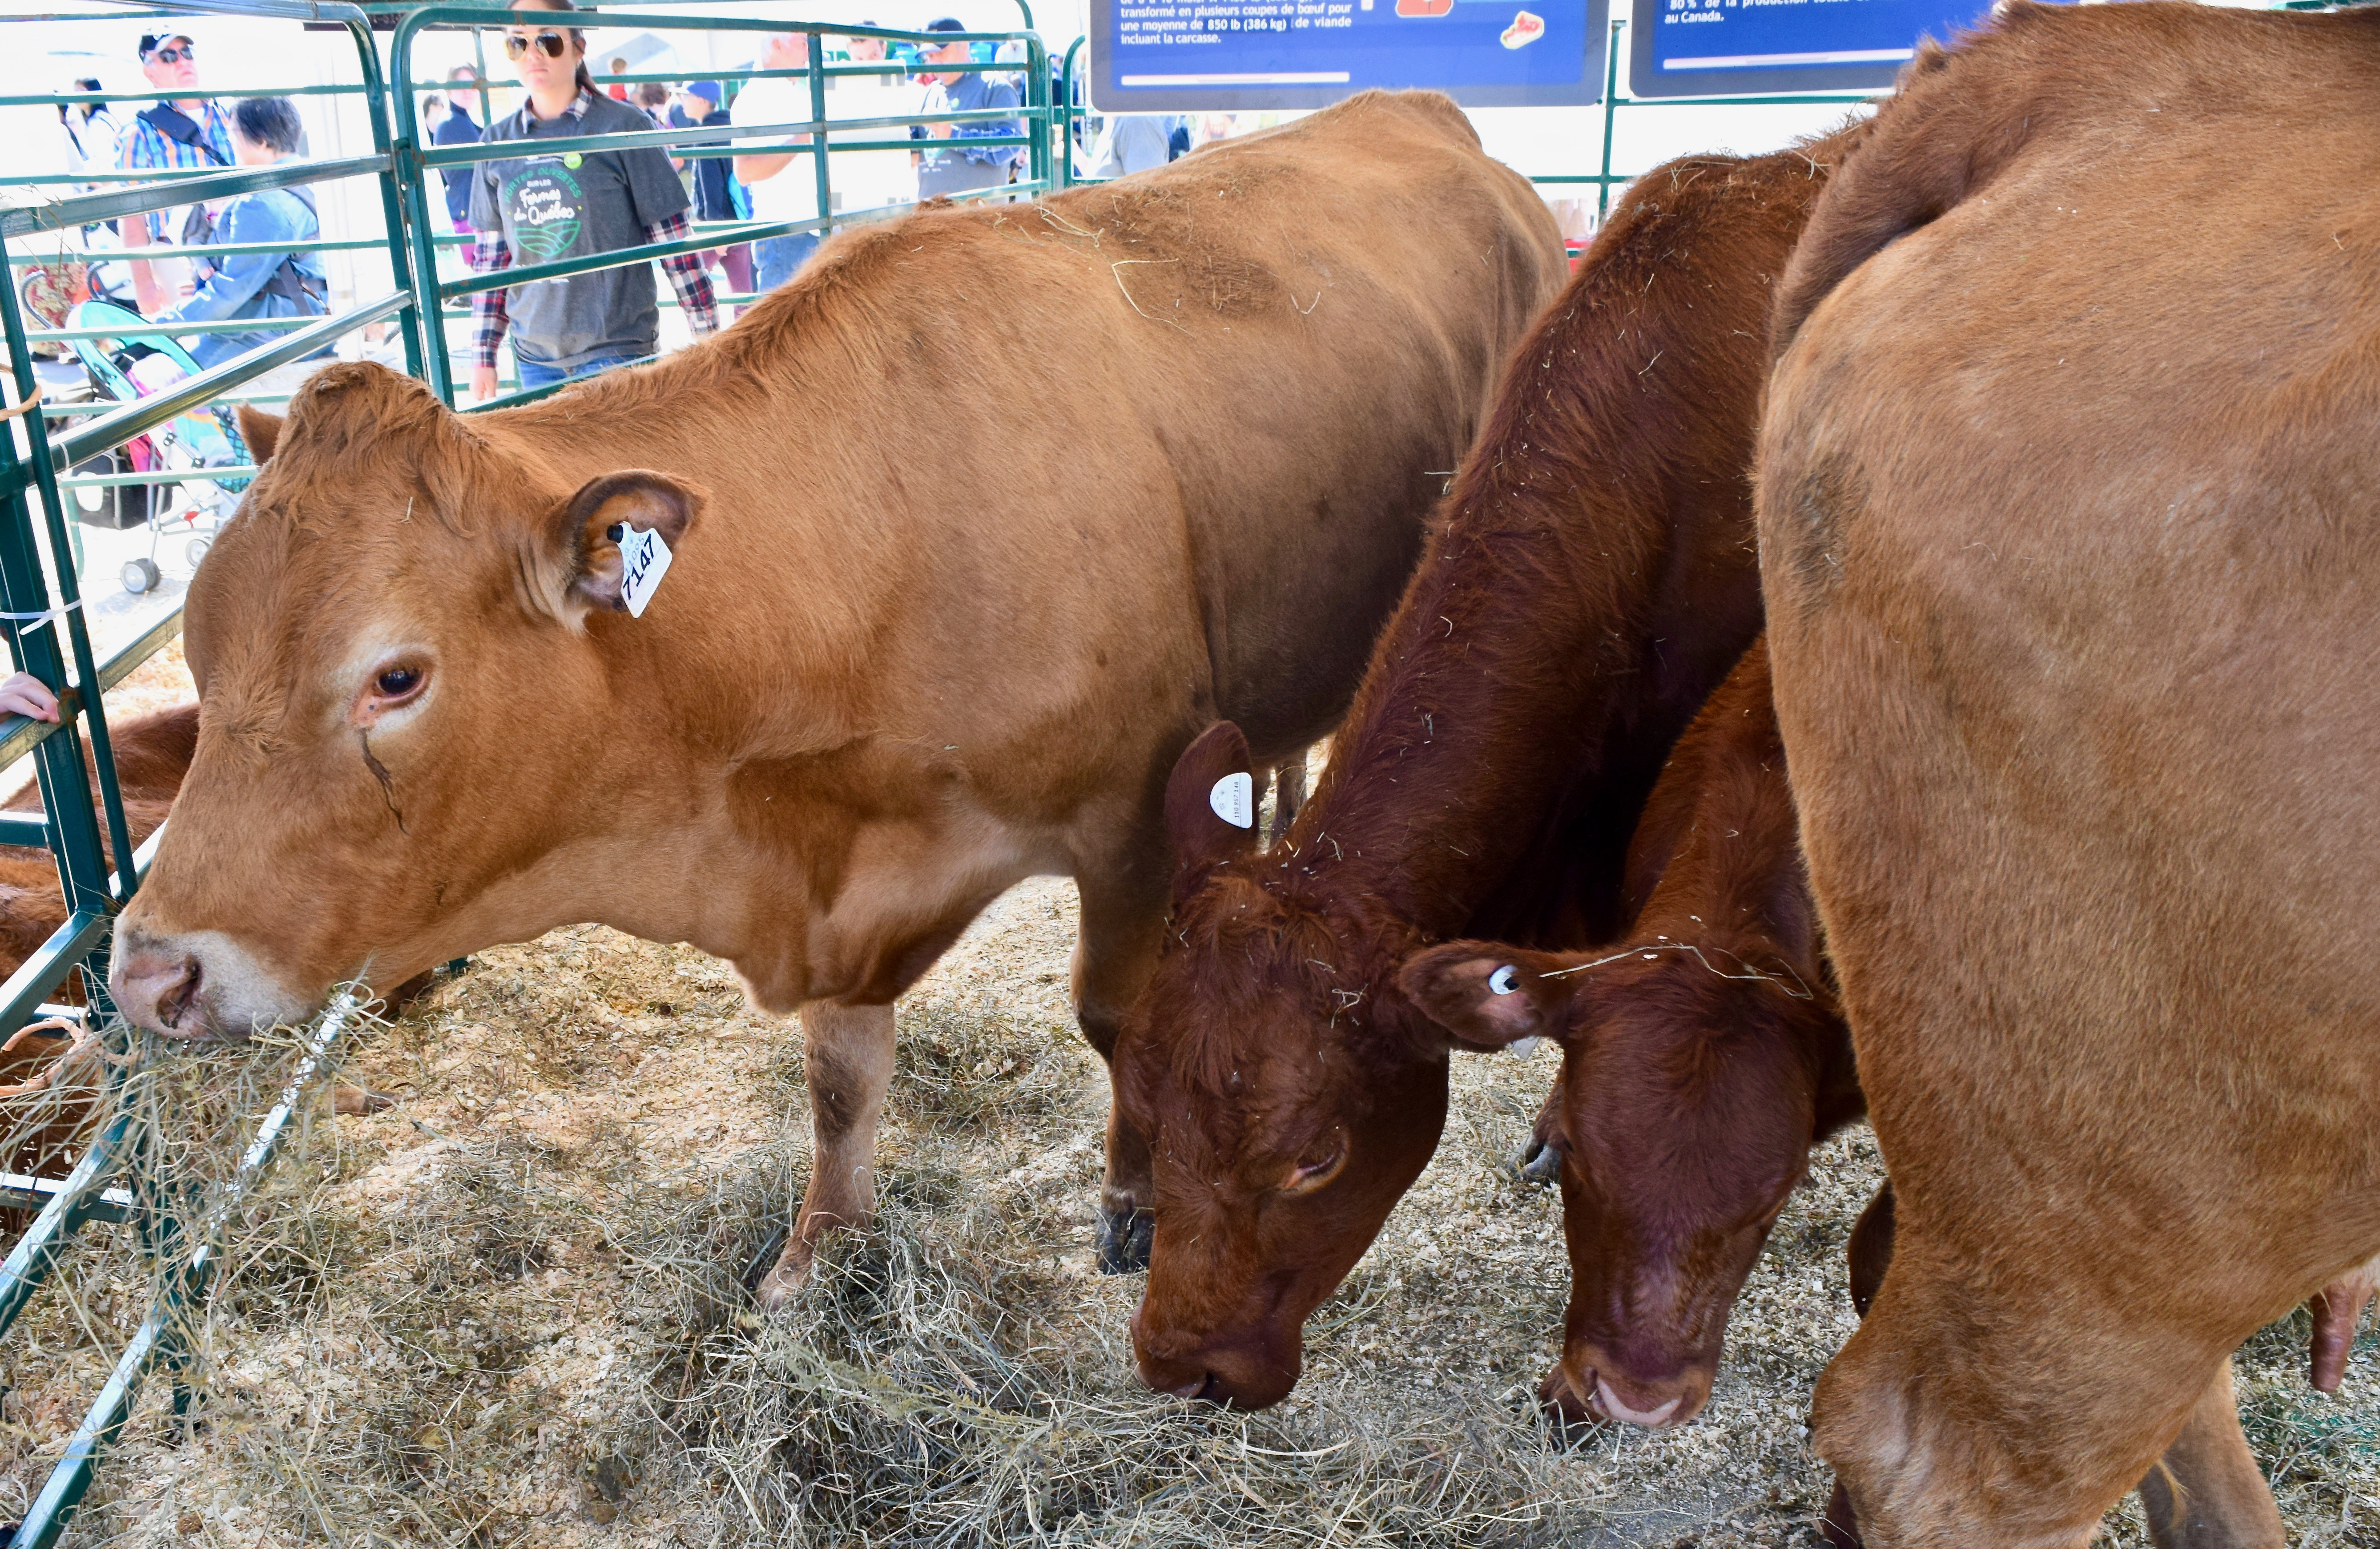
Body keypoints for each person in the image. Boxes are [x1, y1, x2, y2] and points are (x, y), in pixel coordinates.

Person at [467, 0, 719, 398]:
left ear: (578, 47)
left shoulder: (625, 127)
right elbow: (492, 260)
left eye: (548, 41)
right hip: (534, 354)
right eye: (517, 43)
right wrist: (483, 354)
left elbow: (674, 241)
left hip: (615, 351)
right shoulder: (496, 143)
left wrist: (708, 339)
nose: (532, 54)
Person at [146, 97, 330, 370]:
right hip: (305, 316)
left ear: (262, 140)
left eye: (232, 133)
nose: (229, 140)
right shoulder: (306, 181)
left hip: (271, 331)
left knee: (172, 383)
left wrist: (159, 326)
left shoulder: (260, 203)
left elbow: (233, 289)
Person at [116, 33, 234, 315]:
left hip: (235, 246)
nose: (182, 61)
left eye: (187, 53)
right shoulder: (139, 133)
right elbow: (131, 215)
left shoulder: (230, 116)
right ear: (150, 72)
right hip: (177, 257)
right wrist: (144, 283)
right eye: (169, 57)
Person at [730, 33, 828, 291]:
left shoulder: (786, 93)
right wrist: (807, 137)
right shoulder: (757, 97)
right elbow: (745, 171)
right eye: (803, 43)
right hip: (786, 232)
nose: (810, 50)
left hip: (802, 229)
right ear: (777, 45)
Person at [910, 18, 1021, 202]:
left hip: (978, 220)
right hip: (931, 219)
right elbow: (915, 153)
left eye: (941, 52)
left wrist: (953, 135)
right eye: (929, 56)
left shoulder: (995, 88)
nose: (934, 61)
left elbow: (1009, 145)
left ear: (965, 46)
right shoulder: (929, 93)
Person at [674, 81, 753, 308]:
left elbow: (711, 186)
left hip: (716, 227)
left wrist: (718, 233)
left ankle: (705, 336)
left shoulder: (706, 135)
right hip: (740, 221)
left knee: (690, 283)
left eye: (684, 97)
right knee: (743, 295)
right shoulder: (732, 128)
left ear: (700, 100)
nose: (681, 103)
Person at [433, 68, 487, 234]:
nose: (467, 91)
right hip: (471, 216)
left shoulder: (461, 118)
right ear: (450, 91)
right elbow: (488, 159)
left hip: (470, 211)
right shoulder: (453, 122)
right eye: (461, 85)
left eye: (472, 85)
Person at [58, 80, 121, 185]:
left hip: (111, 183)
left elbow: (104, 160)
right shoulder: (102, 118)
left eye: (81, 91)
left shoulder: (97, 123)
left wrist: (102, 185)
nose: (76, 96)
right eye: (75, 91)